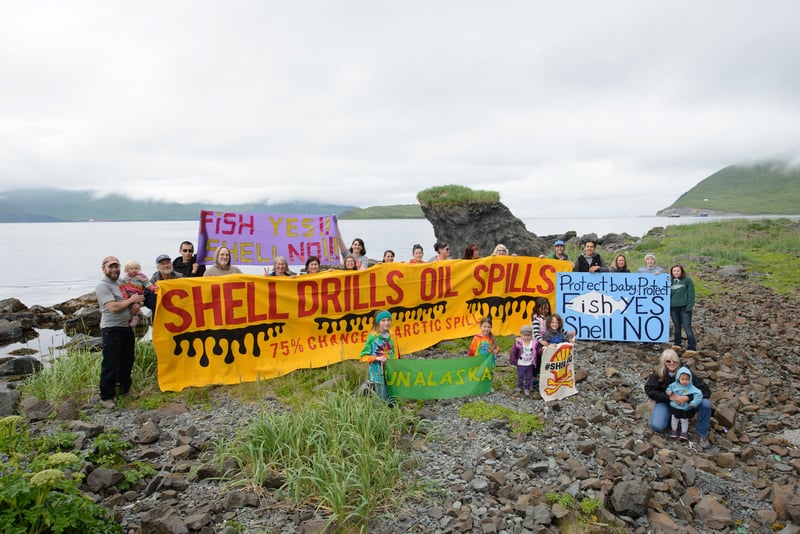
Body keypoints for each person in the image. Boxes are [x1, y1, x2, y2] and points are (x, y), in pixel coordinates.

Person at [95, 256, 145, 409]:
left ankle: (125, 389)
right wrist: (132, 301)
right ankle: (106, 397)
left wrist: (136, 305)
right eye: (111, 267)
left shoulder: (121, 283)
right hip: (112, 328)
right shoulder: (103, 286)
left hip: (126, 327)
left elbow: (132, 300)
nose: (114, 269)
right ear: (104, 269)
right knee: (110, 363)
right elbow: (113, 307)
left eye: (116, 266)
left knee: (127, 360)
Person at [645, 349, 712, 449]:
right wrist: (669, 397)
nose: (672, 364)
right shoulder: (658, 374)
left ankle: (702, 434)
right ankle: (672, 420)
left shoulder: (686, 374)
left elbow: (706, 390)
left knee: (706, 404)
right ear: (663, 362)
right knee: (657, 426)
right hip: (667, 403)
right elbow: (650, 390)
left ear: (678, 362)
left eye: (674, 361)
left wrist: (687, 398)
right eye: (668, 361)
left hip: (687, 404)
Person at [359, 310, 399, 401]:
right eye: (383, 320)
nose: (386, 323)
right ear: (378, 322)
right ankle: (379, 412)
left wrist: (397, 364)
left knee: (393, 398)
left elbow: (395, 351)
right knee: (382, 398)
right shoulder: (373, 337)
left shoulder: (392, 334)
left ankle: (393, 414)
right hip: (378, 373)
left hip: (391, 371)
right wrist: (377, 358)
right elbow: (363, 357)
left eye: (388, 320)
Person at [666, 366, 703, 440]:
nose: (685, 381)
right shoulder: (674, 385)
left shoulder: (691, 387)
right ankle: (674, 430)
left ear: (690, 379)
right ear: (678, 378)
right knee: (674, 418)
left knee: (684, 420)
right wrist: (669, 392)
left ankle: (684, 432)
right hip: (675, 406)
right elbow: (669, 388)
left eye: (687, 379)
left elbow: (699, 394)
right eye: (682, 379)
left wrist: (694, 403)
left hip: (685, 408)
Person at [119, 259, 157, 327]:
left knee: (136, 306)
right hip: (128, 294)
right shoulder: (125, 278)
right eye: (131, 269)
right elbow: (122, 286)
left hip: (137, 294)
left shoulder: (141, 277)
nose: (134, 270)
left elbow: (147, 284)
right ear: (127, 270)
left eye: (136, 268)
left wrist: (152, 288)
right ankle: (130, 318)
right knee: (128, 307)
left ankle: (136, 316)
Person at [670, 264, 697, 351]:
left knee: (687, 327)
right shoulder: (669, 281)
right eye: (674, 271)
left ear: (681, 271)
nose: (676, 272)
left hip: (684, 308)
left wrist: (689, 307)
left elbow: (691, 294)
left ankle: (692, 346)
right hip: (673, 308)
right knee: (677, 326)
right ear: (672, 272)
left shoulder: (687, 280)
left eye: (678, 270)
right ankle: (677, 343)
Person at [509, 324, 536, 396]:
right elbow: (513, 352)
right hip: (521, 363)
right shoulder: (518, 343)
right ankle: (519, 387)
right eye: (524, 335)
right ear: (521, 335)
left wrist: (541, 350)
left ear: (531, 336)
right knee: (520, 376)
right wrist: (512, 360)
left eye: (528, 335)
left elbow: (537, 350)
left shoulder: (533, 343)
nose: (526, 337)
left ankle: (527, 388)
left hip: (529, 364)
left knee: (528, 377)